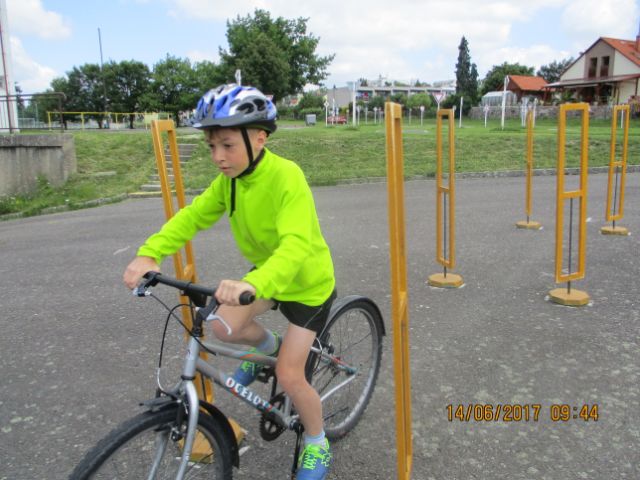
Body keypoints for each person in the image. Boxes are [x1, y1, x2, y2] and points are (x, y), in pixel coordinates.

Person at [123, 84, 336, 480]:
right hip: (266, 278)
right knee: (221, 324)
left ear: (260, 138)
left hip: (307, 285)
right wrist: (150, 252)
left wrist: (252, 284)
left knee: (291, 376)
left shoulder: (287, 177)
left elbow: (295, 246)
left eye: (227, 145)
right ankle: (270, 350)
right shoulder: (230, 181)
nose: (218, 157)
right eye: (211, 146)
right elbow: (192, 216)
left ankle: (317, 441)